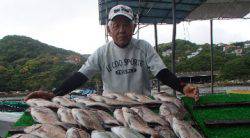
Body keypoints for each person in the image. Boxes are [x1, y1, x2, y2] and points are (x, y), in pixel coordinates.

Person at [24, 4, 199, 101]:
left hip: (143, 104)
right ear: (109, 29)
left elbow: (162, 73)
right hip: (111, 105)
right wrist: (55, 93)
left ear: (134, 28)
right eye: (116, 25)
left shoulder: (143, 47)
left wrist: (183, 87)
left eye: (126, 25)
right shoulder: (102, 52)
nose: (121, 30)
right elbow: (81, 76)